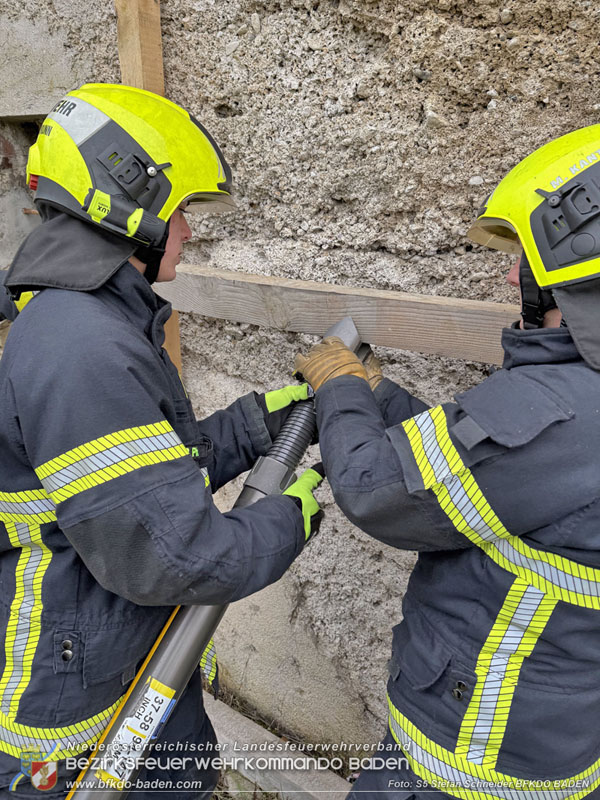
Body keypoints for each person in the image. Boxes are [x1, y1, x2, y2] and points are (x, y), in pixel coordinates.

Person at [0, 83, 323, 798]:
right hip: (79, 705)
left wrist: (253, 423)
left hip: (117, 653)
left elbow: (138, 487)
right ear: (125, 206)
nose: (187, 231)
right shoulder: (82, 346)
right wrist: (286, 519)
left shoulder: (85, 320)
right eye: (177, 211)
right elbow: (171, 555)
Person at [295, 126, 600, 799]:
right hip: (557, 741)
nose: (511, 271)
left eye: (523, 254)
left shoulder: (561, 409)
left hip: (470, 757)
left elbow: (378, 490)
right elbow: (481, 472)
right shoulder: (572, 407)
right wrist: (378, 394)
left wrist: (339, 387)